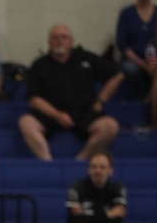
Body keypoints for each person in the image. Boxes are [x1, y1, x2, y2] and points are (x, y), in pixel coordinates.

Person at [18, 24, 124, 161]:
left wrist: (100, 100)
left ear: (71, 41)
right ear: (49, 42)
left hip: (85, 113)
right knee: (25, 123)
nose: (59, 41)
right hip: (50, 114)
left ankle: (81, 161)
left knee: (111, 126)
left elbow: (117, 76)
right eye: (55, 38)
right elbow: (33, 99)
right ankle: (47, 162)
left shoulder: (86, 58)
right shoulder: (40, 65)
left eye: (63, 37)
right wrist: (57, 115)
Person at [115, 0, 157, 100]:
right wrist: (141, 63)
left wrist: (153, 62)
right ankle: (139, 99)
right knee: (131, 68)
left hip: (155, 59)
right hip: (132, 59)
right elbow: (122, 43)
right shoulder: (126, 13)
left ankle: (153, 98)